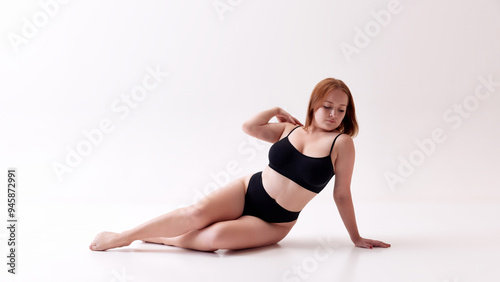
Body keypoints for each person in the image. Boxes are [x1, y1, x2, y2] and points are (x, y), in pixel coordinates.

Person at [89, 78, 391, 252]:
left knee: (217, 239)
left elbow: (341, 194)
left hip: (275, 220)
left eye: (341, 109)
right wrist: (275, 110)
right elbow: (249, 127)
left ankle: (161, 238)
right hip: (249, 189)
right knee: (195, 213)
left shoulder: (342, 144)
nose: (334, 114)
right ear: (314, 104)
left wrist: (355, 236)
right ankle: (121, 237)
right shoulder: (290, 129)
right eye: (327, 106)